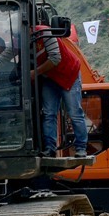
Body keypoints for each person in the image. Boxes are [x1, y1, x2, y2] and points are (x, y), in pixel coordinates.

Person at [33, 18, 87, 156]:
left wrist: (35, 72)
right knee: (48, 113)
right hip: (50, 78)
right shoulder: (19, 40)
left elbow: (55, 58)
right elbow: (5, 56)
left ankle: (81, 147)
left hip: (69, 74)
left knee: (74, 113)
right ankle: (50, 148)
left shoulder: (44, 33)